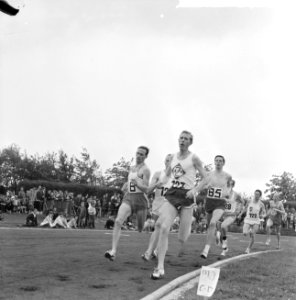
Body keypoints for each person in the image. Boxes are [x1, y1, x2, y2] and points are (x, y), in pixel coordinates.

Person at [150, 131, 206, 279]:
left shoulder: (193, 158)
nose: (182, 141)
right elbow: (166, 176)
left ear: (190, 142)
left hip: (187, 196)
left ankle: (180, 240)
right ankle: (160, 267)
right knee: (163, 227)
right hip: (173, 194)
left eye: (186, 139)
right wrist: (154, 185)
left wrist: (195, 190)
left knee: (182, 237)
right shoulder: (173, 157)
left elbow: (206, 178)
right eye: (181, 138)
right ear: (178, 140)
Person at [105, 146, 151, 261]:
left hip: (141, 200)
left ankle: (148, 224)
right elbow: (130, 180)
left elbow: (146, 189)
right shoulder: (131, 168)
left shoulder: (146, 170)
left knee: (139, 228)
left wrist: (137, 184)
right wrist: (126, 184)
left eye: (142, 154)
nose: (139, 156)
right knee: (118, 221)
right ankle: (113, 251)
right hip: (129, 197)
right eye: (138, 153)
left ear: (146, 156)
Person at [198, 155, 232, 259]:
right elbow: (201, 186)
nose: (218, 162)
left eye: (220, 161)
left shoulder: (227, 176)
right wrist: (206, 187)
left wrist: (226, 192)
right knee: (210, 226)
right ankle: (222, 241)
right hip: (209, 202)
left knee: (213, 223)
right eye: (216, 161)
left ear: (223, 163)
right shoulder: (209, 174)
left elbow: (229, 188)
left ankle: (206, 250)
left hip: (220, 202)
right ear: (214, 162)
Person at [141, 154, 172, 261]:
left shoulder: (177, 177)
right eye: (167, 160)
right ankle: (155, 251)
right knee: (157, 228)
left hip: (169, 206)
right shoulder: (158, 174)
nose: (169, 162)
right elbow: (149, 189)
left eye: (171, 160)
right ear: (164, 161)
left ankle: (150, 252)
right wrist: (156, 184)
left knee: (163, 228)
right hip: (157, 205)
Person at [216, 179, 243, 256]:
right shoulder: (222, 193)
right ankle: (225, 248)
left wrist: (238, 211)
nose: (229, 185)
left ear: (233, 185)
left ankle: (224, 245)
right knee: (220, 234)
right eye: (228, 184)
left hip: (231, 215)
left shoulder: (236, 195)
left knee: (223, 226)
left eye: (231, 184)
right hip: (222, 215)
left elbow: (242, 202)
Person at [240, 189, 266, 254]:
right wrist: (240, 214)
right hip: (248, 219)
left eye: (258, 194)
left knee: (253, 235)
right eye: (255, 194)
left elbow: (264, 212)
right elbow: (245, 209)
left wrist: (263, 216)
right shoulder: (249, 201)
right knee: (245, 233)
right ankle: (249, 231)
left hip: (256, 221)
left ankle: (248, 248)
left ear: (260, 196)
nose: (256, 195)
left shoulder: (261, 204)